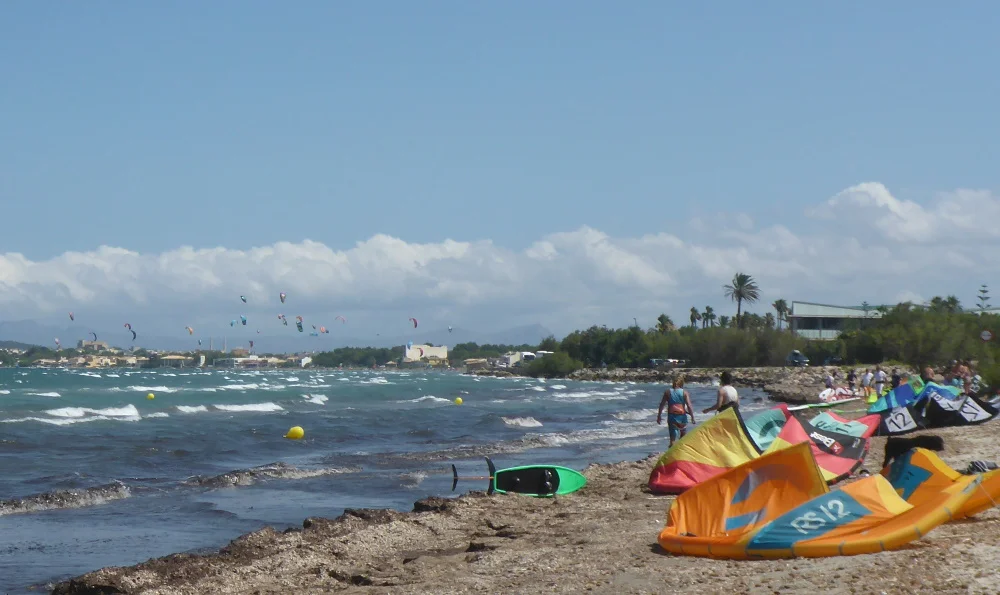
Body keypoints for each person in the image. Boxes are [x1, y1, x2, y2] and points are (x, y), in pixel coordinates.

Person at [657, 376, 696, 447]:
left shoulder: (667, 392)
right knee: (683, 437)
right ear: (682, 383)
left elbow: (662, 405)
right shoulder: (684, 392)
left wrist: (659, 416)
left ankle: (671, 452)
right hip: (682, 417)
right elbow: (689, 405)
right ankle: (680, 452)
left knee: (672, 439)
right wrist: (692, 417)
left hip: (672, 417)